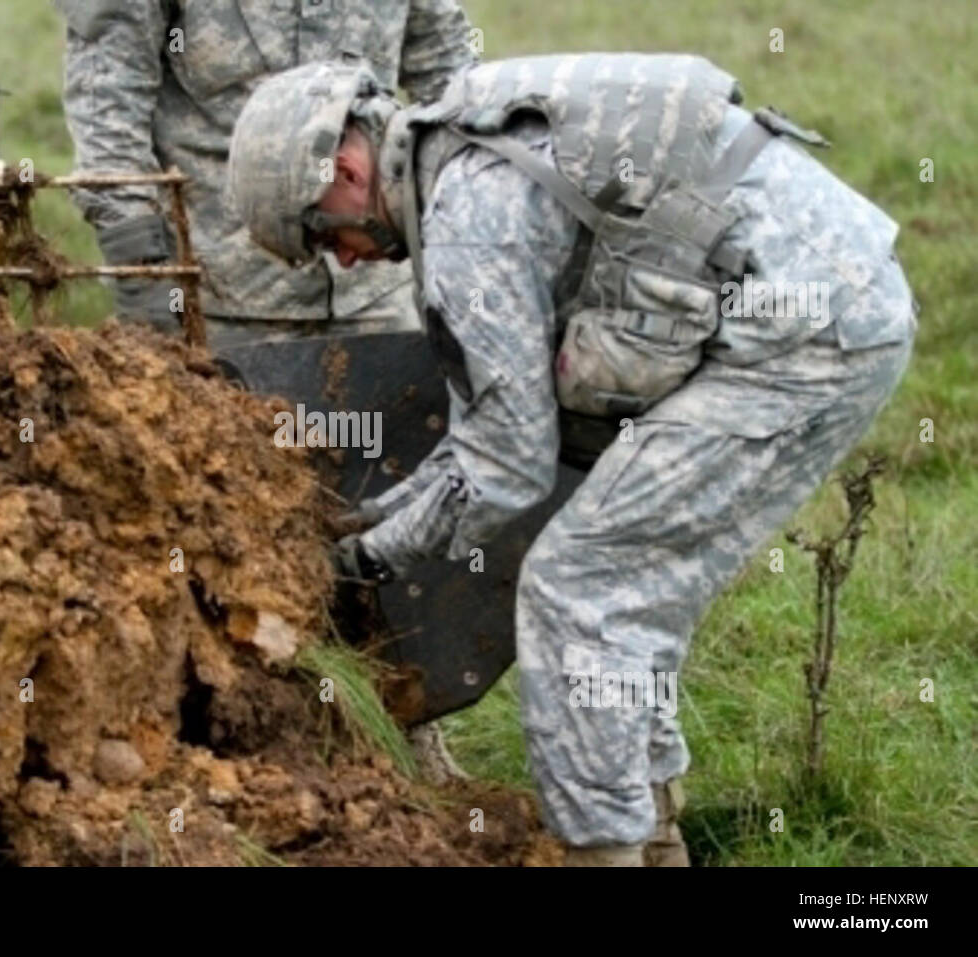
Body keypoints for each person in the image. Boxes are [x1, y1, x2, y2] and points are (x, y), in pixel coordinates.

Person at [225, 55, 917, 865]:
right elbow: (495, 425)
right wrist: (377, 519)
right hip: (826, 294)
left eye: (321, 235)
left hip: (805, 342)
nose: (342, 260)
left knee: (581, 586)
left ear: (346, 170)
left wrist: (357, 559)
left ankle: (604, 852)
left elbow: (506, 464)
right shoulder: (461, 151)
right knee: (629, 590)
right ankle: (653, 835)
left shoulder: (466, 219)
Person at [55, 0, 476, 347]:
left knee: (386, 445)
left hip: (380, 297)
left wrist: (469, 247)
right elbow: (107, 113)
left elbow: (454, 86)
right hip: (220, 311)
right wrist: (145, 279)